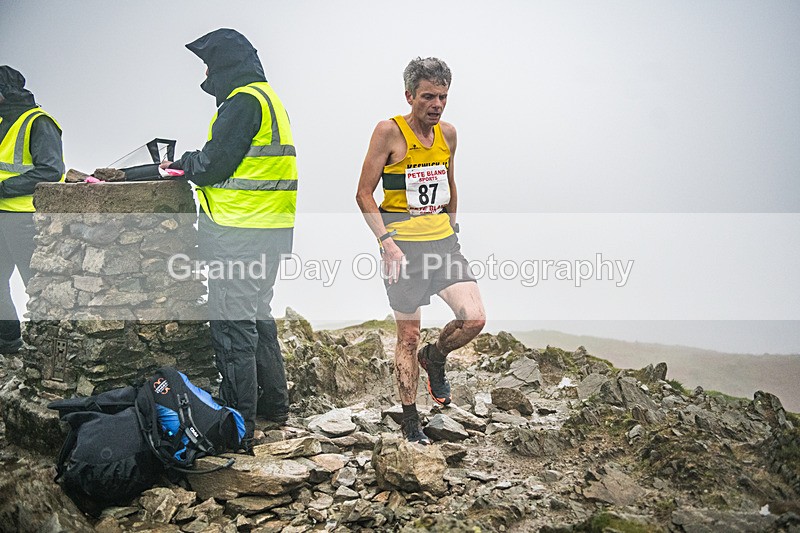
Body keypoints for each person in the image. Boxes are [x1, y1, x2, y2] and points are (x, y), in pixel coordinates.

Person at [160, 29, 297, 450]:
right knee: (258, 316)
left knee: (232, 326)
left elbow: (214, 164)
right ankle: (275, 406)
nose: (205, 73)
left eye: (208, 65)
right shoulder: (267, 98)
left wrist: (183, 163)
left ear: (223, 65)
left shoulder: (242, 103)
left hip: (239, 234)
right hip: (272, 231)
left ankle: (239, 423)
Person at [356, 57, 486, 444]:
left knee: (474, 319)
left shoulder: (449, 134)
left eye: (443, 96)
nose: (437, 104)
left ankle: (437, 357)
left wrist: (453, 227)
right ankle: (411, 422)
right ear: (410, 95)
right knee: (408, 337)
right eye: (428, 96)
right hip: (402, 246)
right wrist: (386, 242)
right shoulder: (388, 132)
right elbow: (364, 193)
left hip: (443, 242)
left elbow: (450, 183)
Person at [0, 66, 64, 355]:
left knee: (35, 286)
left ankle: (47, 351)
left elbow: (51, 171)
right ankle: (8, 343)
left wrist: (3, 189)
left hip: (26, 218)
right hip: (2, 216)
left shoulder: (38, 122)